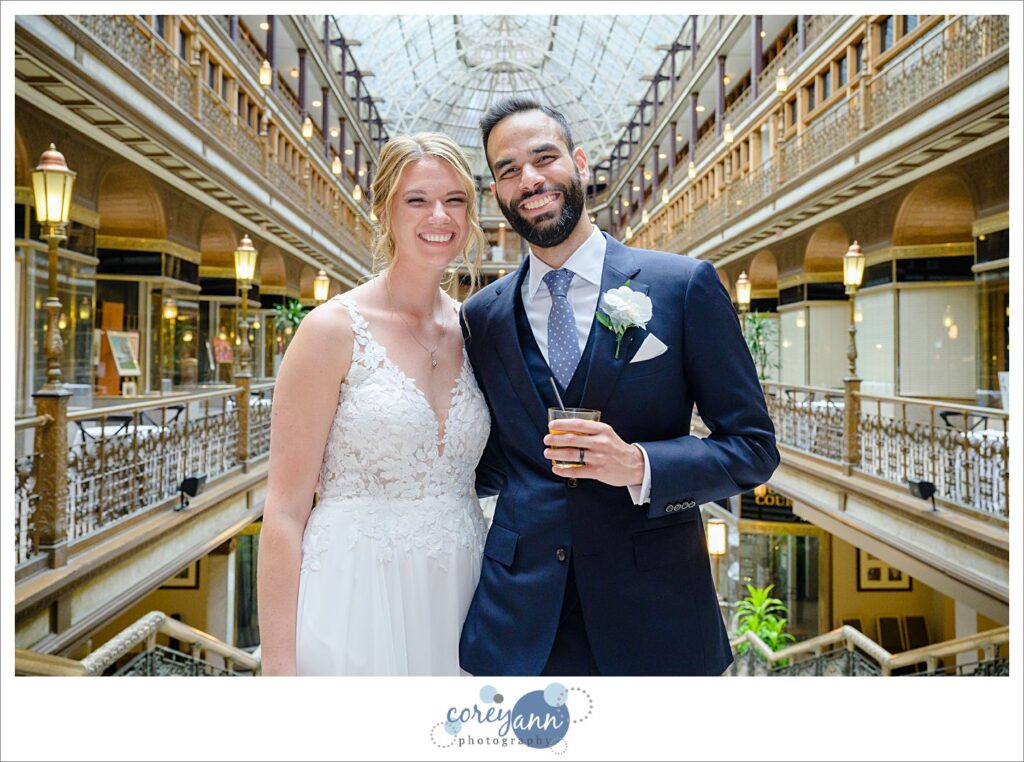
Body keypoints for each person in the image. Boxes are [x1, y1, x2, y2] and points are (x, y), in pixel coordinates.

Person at [459, 97, 780, 676]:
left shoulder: (682, 287)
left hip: (655, 615)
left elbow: (754, 448)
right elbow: (487, 455)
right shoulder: (480, 316)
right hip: (520, 622)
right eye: (508, 171)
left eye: (544, 158)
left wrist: (638, 464)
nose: (529, 180)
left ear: (580, 164)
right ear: (497, 194)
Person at [257, 133, 490, 675]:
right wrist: (278, 669)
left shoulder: (477, 330)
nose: (440, 215)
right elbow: (285, 513)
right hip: (355, 592)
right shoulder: (331, 331)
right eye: (417, 199)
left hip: (461, 587)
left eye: (456, 199)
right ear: (384, 209)